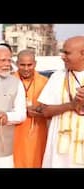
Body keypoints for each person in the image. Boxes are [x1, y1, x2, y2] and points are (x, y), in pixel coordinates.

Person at [38, 36, 84, 168]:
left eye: (67, 53)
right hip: (60, 152)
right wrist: (71, 105)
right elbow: (44, 111)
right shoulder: (57, 77)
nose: (62, 56)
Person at [13, 49, 49, 168]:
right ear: (17, 64)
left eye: (30, 65)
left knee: (37, 160)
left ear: (35, 64)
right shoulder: (8, 81)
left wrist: (41, 110)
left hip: (38, 132)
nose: (26, 68)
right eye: (22, 65)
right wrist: (23, 110)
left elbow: (50, 106)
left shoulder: (45, 82)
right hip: (15, 132)